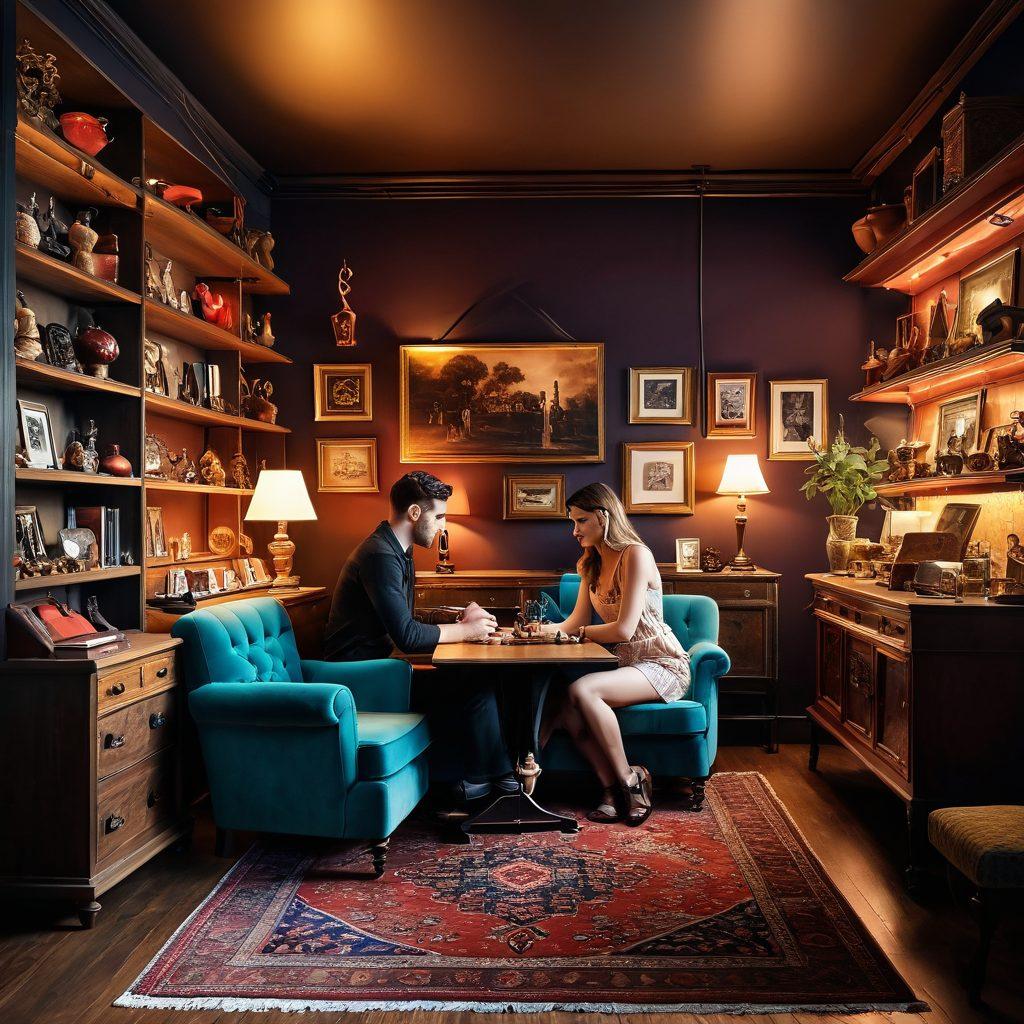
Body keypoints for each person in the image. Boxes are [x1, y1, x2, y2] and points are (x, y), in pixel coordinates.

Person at [324, 471, 517, 802]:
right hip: (356, 678)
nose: (442, 525)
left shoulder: (398, 549)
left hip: (377, 669)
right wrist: (467, 630)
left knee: (478, 678)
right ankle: (491, 781)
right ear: (415, 513)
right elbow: (408, 637)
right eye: (439, 516)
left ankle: (493, 778)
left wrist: (458, 618)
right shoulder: (380, 556)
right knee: (475, 683)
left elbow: (405, 618)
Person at [542, 482, 690, 826]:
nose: (573, 530)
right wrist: (534, 632)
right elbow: (575, 621)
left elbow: (623, 630)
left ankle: (630, 780)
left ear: (604, 517)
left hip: (662, 664)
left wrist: (576, 636)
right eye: (572, 521)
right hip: (627, 666)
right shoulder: (589, 564)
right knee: (566, 708)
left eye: (580, 521)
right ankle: (608, 787)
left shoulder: (636, 554)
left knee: (584, 689)